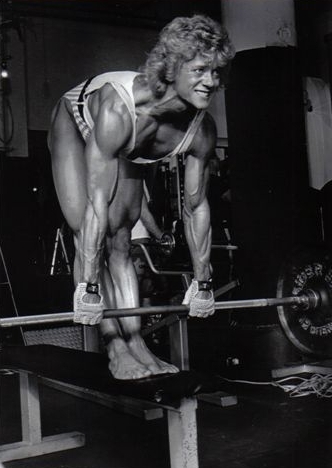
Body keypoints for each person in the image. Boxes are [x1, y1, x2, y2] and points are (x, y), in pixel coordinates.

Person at [48, 14, 234, 380]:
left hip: (129, 142)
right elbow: (96, 206)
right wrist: (87, 288)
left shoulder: (201, 129)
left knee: (122, 240)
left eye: (216, 71)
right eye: (199, 70)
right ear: (172, 68)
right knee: (89, 233)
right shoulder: (120, 110)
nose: (211, 82)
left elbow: (196, 206)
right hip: (75, 121)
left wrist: (203, 282)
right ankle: (115, 347)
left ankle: (137, 343)